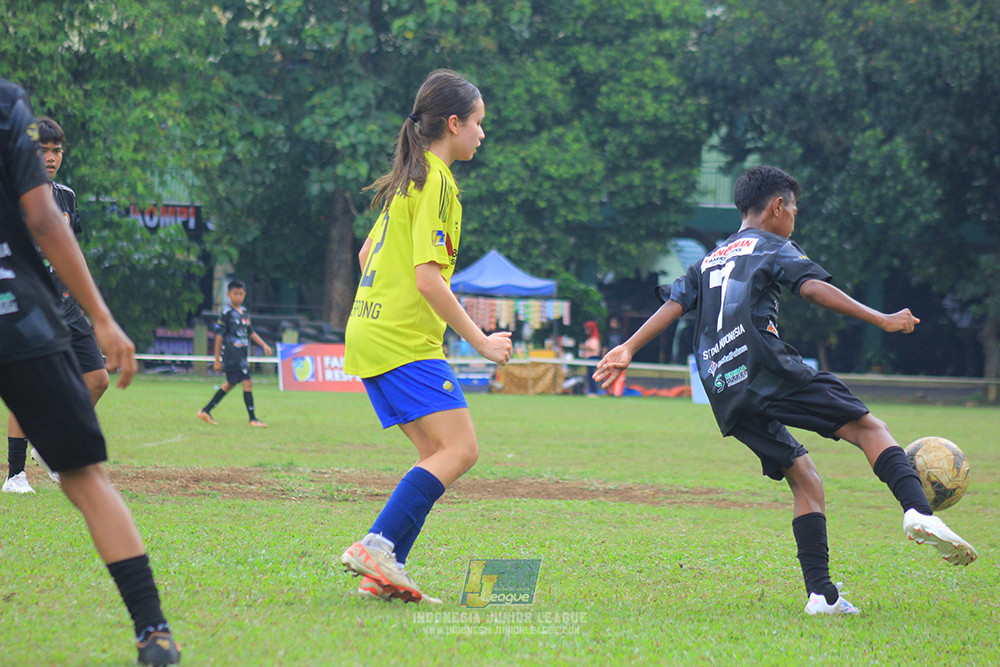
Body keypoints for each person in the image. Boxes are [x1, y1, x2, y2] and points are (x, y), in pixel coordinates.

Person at [595, 165, 977, 616]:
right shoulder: (772, 245)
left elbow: (676, 305)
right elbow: (811, 287)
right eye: (794, 208)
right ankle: (918, 511)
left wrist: (626, 347)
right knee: (869, 427)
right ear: (778, 207)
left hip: (722, 384)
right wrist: (881, 319)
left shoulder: (707, 260)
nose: (794, 217)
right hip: (765, 367)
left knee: (805, 478)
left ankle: (822, 596)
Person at [0, 78, 180, 664]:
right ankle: (153, 632)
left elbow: (57, 224)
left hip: (43, 308)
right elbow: (43, 224)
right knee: (88, 479)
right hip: (17, 309)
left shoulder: (64, 184)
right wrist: (105, 316)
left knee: (94, 386)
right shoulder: (8, 103)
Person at [339, 69, 512, 604]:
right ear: (454, 123)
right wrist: (481, 342)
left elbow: (369, 255)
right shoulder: (436, 180)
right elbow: (427, 279)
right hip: (401, 341)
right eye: (479, 123)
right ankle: (378, 546)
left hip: (368, 334)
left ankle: (383, 570)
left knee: (437, 452)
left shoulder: (407, 179)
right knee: (460, 449)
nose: (483, 134)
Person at [3, 117, 109, 494]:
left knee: (97, 379)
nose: (50, 157)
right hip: (27, 307)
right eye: (42, 150)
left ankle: (51, 449)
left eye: (56, 150)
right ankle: (15, 475)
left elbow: (70, 252)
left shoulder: (66, 196)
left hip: (65, 305)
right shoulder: (11, 195)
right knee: (28, 390)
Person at [196, 279, 273, 427]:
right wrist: (217, 359)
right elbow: (219, 336)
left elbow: (251, 332)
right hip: (232, 354)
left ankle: (206, 410)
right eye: (235, 294)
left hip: (242, 354)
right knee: (247, 381)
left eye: (241, 294)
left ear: (244, 295)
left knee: (230, 383)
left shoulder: (244, 312)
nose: (238, 297)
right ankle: (252, 419)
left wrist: (264, 345)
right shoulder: (226, 313)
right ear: (228, 295)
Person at [579, 320, 602, 395]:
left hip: (593, 358)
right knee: (589, 375)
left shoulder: (594, 339)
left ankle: (594, 391)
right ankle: (591, 390)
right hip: (589, 358)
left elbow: (593, 347)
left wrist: (584, 347)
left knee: (592, 375)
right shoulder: (589, 338)